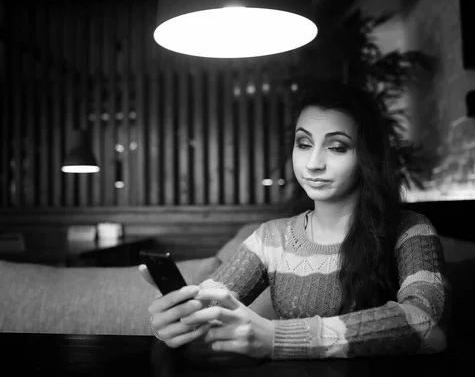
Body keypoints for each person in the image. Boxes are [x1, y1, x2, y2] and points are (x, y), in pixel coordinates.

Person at [139, 81, 451, 360]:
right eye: (303, 144)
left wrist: (278, 338)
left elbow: (424, 323)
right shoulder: (271, 239)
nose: (313, 163)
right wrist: (178, 318)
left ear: (367, 156)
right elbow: (212, 307)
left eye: (337, 147)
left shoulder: (410, 230)